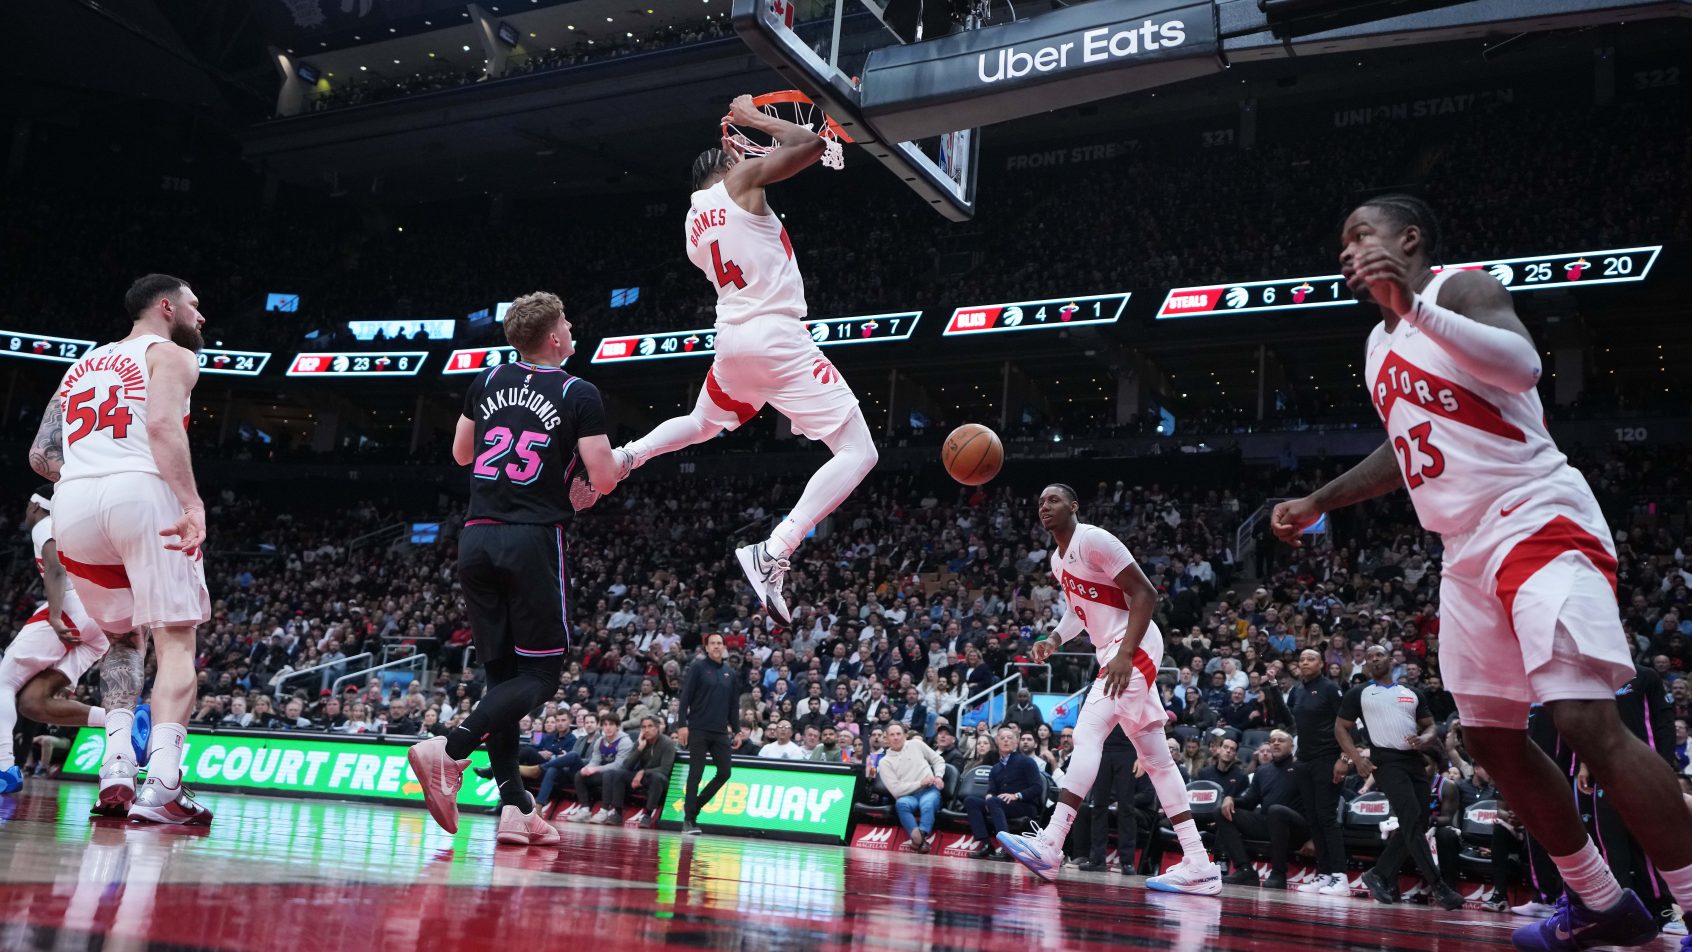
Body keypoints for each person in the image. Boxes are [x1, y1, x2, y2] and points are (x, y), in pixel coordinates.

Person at [1275, 195, 1692, 949]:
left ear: (1409, 240)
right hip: (1461, 550)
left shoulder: (1461, 290)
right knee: (1493, 738)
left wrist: (1415, 306)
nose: (1348, 248)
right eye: (1342, 240)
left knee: (1585, 719)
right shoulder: (1377, 344)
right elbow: (1406, 449)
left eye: (1361, 234)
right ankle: (1598, 902)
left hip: (1534, 514)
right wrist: (1318, 499)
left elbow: (1524, 365)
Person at [611, 94, 878, 625]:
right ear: (726, 164)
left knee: (703, 422)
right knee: (858, 451)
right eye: (737, 156)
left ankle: (628, 457)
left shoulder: (691, 228)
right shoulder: (735, 183)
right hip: (774, 336)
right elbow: (808, 143)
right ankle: (775, 549)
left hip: (731, 340)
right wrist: (753, 119)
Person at [408, 291, 619, 849]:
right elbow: (602, 473)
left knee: (503, 677)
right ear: (555, 338)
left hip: (476, 537)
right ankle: (450, 749)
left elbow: (460, 453)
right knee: (542, 675)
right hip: (530, 538)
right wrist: (602, 476)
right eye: (568, 321)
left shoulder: (489, 379)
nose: (573, 327)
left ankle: (515, 807)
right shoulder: (578, 391)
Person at [31, 274, 212, 823]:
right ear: (166, 307)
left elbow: (41, 455)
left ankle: (114, 767)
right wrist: (192, 504)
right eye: (194, 306)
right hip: (141, 493)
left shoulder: (80, 366)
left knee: (121, 643)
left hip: (74, 505)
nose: (201, 318)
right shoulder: (172, 356)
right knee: (177, 642)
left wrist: (88, 474)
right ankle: (162, 783)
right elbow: (161, 426)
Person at [996, 484, 1220, 894]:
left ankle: (1051, 842)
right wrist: (1055, 639)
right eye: (1040, 501)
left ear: (1074, 506)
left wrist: (1125, 653)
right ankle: (1200, 864)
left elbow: (1145, 593)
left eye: (1054, 500)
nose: (1045, 506)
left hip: (1132, 646)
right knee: (1157, 761)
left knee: (1087, 732)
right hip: (1115, 650)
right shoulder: (1057, 560)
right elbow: (1080, 612)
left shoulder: (1094, 539)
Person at [0, 487, 115, 793]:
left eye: (27, 507)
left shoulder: (44, 524)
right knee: (32, 703)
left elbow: (55, 569)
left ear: (35, 505)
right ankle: (123, 721)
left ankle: (3, 767)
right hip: (100, 626)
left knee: (3, 682)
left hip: (72, 609)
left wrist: (53, 615)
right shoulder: (76, 527)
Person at [1337, 644, 1466, 910]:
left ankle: (1379, 874)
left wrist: (1425, 738)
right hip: (1386, 762)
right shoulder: (1359, 693)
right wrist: (1357, 759)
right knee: (1408, 819)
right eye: (1370, 657)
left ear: (1391, 660)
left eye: (1379, 655)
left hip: (1414, 760)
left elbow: (1431, 725)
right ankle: (1439, 887)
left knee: (1418, 824)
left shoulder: (1412, 692)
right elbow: (1340, 727)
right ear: (1367, 665)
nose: (1374, 659)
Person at [1287, 647, 1349, 895]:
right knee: (1313, 817)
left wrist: (1344, 758)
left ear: (1321, 664)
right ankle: (1324, 873)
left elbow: (1347, 725)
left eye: (1310, 659)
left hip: (1328, 758)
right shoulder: (1297, 691)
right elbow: (1291, 720)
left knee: (1327, 817)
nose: (1304, 663)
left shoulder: (1330, 689)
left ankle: (1340, 876)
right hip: (1304, 760)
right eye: (1301, 659)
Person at [1215, 730, 1307, 888]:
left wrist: (1314, 838)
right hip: (1269, 824)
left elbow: (1314, 805)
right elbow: (1249, 801)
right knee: (1222, 812)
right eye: (1272, 741)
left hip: (1297, 828)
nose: (1276, 743)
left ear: (1291, 746)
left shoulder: (1302, 769)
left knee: (1276, 810)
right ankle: (1245, 870)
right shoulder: (1262, 771)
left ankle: (1278, 873)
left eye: (1281, 740)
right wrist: (1230, 799)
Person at [678, 632, 739, 834]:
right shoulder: (698, 667)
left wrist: (737, 730)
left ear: (724, 647)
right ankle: (688, 820)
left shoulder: (730, 672)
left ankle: (694, 808)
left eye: (719, 643)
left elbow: (733, 705)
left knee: (725, 772)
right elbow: (685, 697)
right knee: (696, 774)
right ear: (706, 647)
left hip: (720, 731)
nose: (715, 646)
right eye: (712, 643)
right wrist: (682, 724)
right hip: (698, 729)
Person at [962, 725, 1043, 859]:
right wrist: (989, 795)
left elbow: (1037, 788)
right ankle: (986, 845)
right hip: (1000, 804)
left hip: (1024, 805)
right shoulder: (995, 768)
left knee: (994, 801)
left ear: (1016, 742)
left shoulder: (1027, 762)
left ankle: (1008, 849)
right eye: (1002, 738)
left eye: (1009, 738)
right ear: (997, 742)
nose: (1006, 741)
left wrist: (1016, 796)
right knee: (971, 801)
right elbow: (992, 791)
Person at [588, 716, 674, 827]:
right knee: (618, 774)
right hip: (641, 777)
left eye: (650, 726)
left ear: (657, 728)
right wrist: (639, 749)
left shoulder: (668, 743)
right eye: (643, 727)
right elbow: (627, 766)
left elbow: (665, 769)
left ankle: (647, 815)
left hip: (659, 778)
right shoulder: (641, 741)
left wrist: (642, 772)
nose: (646, 730)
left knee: (657, 778)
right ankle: (617, 813)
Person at [875, 722, 946, 852]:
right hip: (908, 796)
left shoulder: (916, 744)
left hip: (929, 790)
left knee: (927, 803)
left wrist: (939, 776)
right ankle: (920, 841)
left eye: (898, 734)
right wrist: (920, 783)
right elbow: (896, 790)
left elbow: (938, 760)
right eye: (892, 735)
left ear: (905, 735)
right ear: (886, 738)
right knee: (901, 804)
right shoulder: (884, 762)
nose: (896, 737)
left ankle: (919, 838)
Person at [570, 713, 636, 822]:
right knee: (579, 775)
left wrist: (596, 769)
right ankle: (585, 809)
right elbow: (595, 760)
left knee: (608, 774)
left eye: (611, 724)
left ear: (617, 726)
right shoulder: (600, 741)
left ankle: (604, 811)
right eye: (605, 725)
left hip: (621, 776)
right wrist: (587, 768)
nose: (608, 727)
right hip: (605, 772)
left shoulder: (625, 741)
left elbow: (618, 765)